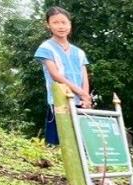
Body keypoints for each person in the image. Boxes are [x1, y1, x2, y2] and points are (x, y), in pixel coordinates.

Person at [34, 6, 90, 146]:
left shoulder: (79, 52)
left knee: (82, 145)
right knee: (58, 145)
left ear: (70, 24)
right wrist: (81, 92)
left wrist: (85, 97)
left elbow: (84, 76)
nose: (60, 26)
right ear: (48, 25)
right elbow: (55, 75)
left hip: (80, 104)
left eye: (64, 22)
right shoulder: (46, 48)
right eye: (55, 22)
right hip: (59, 102)